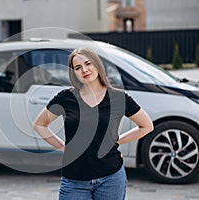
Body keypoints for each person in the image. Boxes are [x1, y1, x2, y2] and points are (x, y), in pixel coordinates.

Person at [33, 47, 154, 200]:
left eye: (88, 64)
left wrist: (117, 141)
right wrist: (63, 147)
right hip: (74, 180)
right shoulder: (65, 98)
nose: (84, 70)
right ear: (74, 73)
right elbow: (40, 125)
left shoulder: (118, 98)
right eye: (78, 67)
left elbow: (146, 126)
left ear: (97, 65)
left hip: (111, 178)